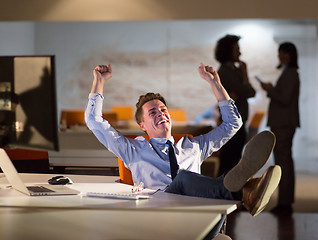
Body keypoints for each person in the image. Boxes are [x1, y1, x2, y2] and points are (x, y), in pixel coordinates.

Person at [85, 63, 281, 237]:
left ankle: (239, 190)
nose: (160, 113)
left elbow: (233, 123)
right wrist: (99, 82)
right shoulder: (132, 149)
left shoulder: (194, 145)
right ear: (142, 125)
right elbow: (94, 121)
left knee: (221, 181)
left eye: (163, 110)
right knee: (184, 179)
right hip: (157, 218)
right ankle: (245, 192)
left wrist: (216, 85)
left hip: (201, 220)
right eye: (152, 112)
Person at [260, 42, 300, 215]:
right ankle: (285, 201)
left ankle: (285, 203)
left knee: (283, 163)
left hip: (284, 124)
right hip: (284, 123)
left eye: (283, 53)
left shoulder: (290, 74)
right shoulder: (289, 73)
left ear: (290, 55)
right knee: (284, 162)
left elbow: (284, 99)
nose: (280, 56)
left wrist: (270, 90)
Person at [215, 34, 256, 177]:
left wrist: (244, 75)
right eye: (236, 49)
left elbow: (251, 92)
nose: (240, 52)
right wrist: (244, 78)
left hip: (240, 122)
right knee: (228, 163)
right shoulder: (224, 73)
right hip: (231, 123)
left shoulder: (236, 70)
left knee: (234, 161)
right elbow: (245, 91)